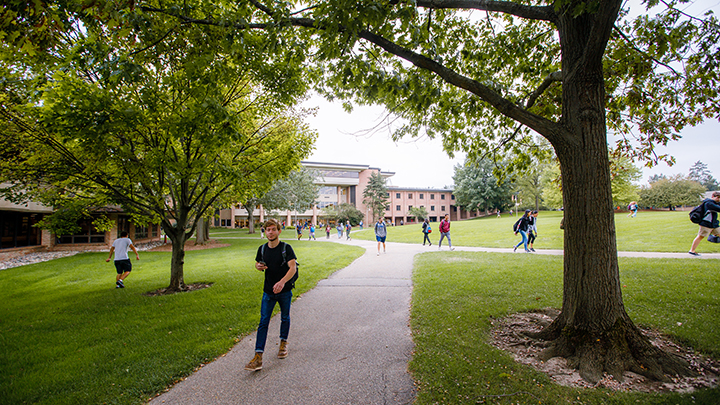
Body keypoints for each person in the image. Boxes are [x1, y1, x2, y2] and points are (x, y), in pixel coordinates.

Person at [245, 218, 298, 371]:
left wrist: (282, 282)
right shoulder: (262, 249)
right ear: (265, 232)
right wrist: (258, 266)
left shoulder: (286, 248)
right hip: (268, 291)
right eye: (268, 230)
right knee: (263, 322)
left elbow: (292, 268)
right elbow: (257, 263)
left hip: (284, 291)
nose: (270, 232)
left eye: (273, 229)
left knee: (285, 317)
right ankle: (258, 356)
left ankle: (283, 343)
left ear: (279, 231)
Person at [689, 191, 720, 257]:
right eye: (718, 197)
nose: (718, 199)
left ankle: (712, 237)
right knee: (700, 236)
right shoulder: (709, 203)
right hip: (706, 224)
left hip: (714, 223)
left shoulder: (714, 203)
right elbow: (718, 208)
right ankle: (692, 250)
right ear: (713, 196)